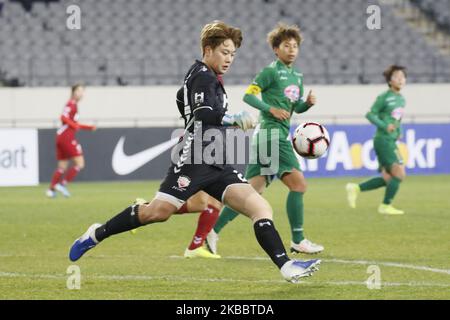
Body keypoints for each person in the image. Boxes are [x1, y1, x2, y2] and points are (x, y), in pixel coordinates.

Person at [69, 21, 321, 283]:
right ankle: (96, 234)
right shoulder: (202, 74)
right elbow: (203, 115)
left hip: (218, 163)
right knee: (157, 212)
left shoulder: (207, 78)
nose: (229, 59)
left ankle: (287, 266)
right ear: (207, 49)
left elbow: (183, 100)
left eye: (233, 54)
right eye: (224, 52)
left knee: (260, 207)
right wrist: (231, 118)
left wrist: (206, 117)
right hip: (194, 160)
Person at [206, 23, 324, 256]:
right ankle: (298, 239)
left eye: (295, 46)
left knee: (251, 193)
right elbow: (249, 96)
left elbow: (293, 108)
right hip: (271, 134)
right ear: (276, 49)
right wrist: (270, 109)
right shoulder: (271, 71)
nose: (291, 50)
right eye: (286, 46)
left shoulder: (297, 77)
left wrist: (306, 104)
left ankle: (212, 230)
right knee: (299, 185)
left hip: (271, 135)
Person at [346, 65, 407, 215]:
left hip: (391, 140)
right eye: (397, 76)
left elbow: (397, 119)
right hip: (383, 140)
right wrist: (385, 126)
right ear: (390, 81)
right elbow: (370, 114)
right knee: (399, 173)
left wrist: (400, 131)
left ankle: (355, 188)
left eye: (402, 76)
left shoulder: (401, 99)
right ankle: (385, 206)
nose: (400, 79)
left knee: (388, 178)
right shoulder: (384, 97)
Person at [46, 84, 96, 198]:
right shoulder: (71, 104)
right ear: (73, 92)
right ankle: (62, 184)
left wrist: (88, 127)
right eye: (79, 91)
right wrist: (73, 125)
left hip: (60, 137)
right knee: (80, 163)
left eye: (83, 91)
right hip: (66, 137)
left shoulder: (73, 105)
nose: (82, 93)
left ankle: (51, 190)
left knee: (62, 167)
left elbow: (74, 124)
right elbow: (63, 118)